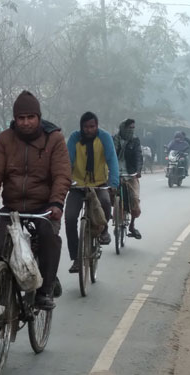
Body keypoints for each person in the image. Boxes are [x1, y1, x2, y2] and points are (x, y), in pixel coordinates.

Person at [0, 90, 71, 310]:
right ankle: (8, 299)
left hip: (44, 207)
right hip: (12, 208)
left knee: (48, 239)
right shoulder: (5, 139)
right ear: (15, 119)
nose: (25, 123)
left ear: (38, 117)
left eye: (30, 117)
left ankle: (45, 291)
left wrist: (56, 204)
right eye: (21, 118)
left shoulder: (54, 138)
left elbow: (62, 174)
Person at [65, 112, 119, 273]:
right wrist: (66, 179)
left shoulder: (105, 137)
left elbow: (112, 161)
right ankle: (76, 258)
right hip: (78, 185)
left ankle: (104, 230)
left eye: (92, 126)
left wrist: (113, 183)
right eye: (86, 127)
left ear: (97, 126)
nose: (89, 130)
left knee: (106, 202)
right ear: (81, 127)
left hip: (99, 183)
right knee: (69, 217)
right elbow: (67, 161)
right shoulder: (74, 138)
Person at [112, 119, 143, 239]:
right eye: (130, 127)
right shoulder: (114, 139)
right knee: (106, 197)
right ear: (123, 127)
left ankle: (132, 225)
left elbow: (138, 156)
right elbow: (109, 155)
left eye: (133, 128)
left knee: (134, 198)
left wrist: (138, 171)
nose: (132, 130)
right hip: (115, 173)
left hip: (130, 174)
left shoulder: (135, 140)